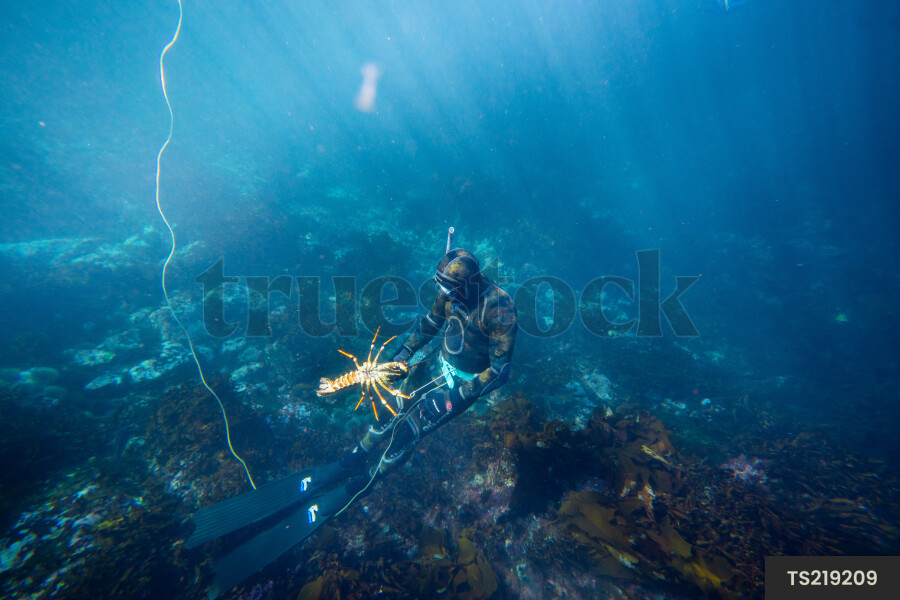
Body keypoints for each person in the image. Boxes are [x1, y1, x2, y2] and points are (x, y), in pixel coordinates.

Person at [186, 235, 517, 598]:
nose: (444, 294)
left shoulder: (499, 309)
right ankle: (353, 459)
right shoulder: (451, 292)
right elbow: (429, 324)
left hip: (465, 384)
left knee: (409, 430)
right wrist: (404, 354)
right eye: (441, 287)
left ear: (469, 284)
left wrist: (454, 397)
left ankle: (365, 481)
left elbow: (500, 372)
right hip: (435, 365)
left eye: (449, 289)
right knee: (389, 410)